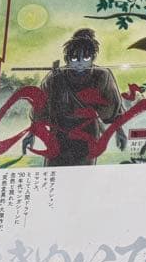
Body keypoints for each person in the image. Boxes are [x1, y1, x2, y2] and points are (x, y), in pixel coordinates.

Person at [23, 28, 127, 166]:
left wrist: (120, 131)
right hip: (60, 132)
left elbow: (113, 106)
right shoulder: (55, 77)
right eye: (74, 58)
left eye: (85, 58)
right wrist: (31, 134)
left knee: (84, 172)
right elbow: (40, 107)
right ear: (67, 58)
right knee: (54, 170)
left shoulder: (102, 75)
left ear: (93, 58)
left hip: (87, 133)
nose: (80, 62)